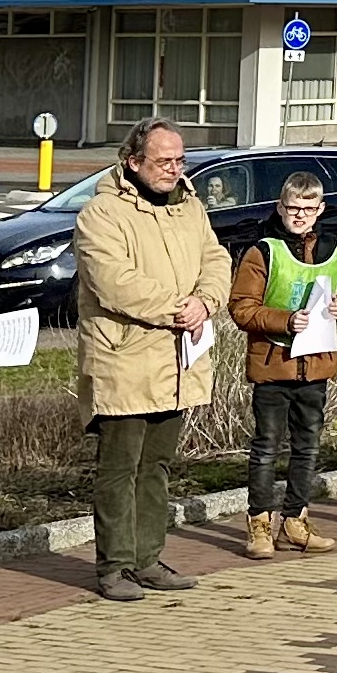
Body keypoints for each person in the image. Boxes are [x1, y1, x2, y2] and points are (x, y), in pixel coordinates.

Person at [74, 118, 230, 598]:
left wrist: (206, 301)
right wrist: (176, 308)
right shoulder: (101, 214)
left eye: (179, 160)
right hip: (124, 359)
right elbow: (113, 280)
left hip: (178, 359)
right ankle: (114, 567)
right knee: (120, 467)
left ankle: (148, 559)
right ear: (133, 161)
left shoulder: (191, 207)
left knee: (157, 466)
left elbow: (216, 259)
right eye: (164, 161)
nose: (174, 169)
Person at [228, 165, 337, 559]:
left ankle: (295, 521)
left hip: (315, 365)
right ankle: (259, 525)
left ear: (321, 209)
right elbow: (241, 307)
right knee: (266, 447)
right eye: (292, 207)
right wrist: (284, 320)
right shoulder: (262, 250)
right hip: (272, 364)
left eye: (308, 207)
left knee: (308, 447)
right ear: (280, 207)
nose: (300, 214)